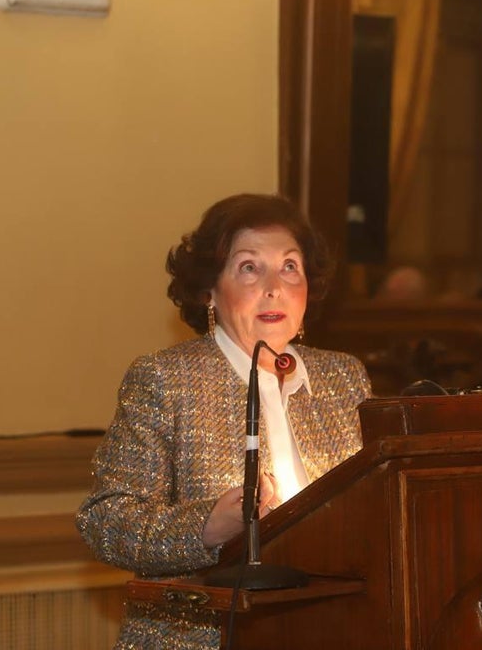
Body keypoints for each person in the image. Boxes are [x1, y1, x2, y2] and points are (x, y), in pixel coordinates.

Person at [76, 193, 373, 649]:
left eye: (290, 266)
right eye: (250, 267)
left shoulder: (343, 377)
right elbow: (106, 523)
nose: (274, 286)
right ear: (209, 291)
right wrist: (208, 526)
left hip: (326, 631)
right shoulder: (166, 378)